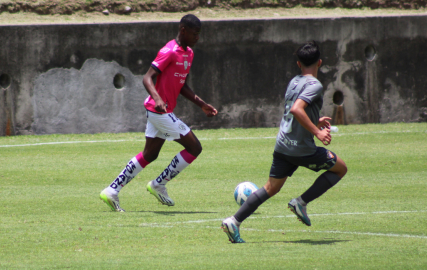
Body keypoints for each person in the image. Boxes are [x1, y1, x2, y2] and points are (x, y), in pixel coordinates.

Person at [221, 41, 347, 243]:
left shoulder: (294, 82)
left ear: (298, 64)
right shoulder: (315, 85)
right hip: (302, 150)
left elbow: (294, 112)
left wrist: (316, 120)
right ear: (320, 62)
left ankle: (233, 221)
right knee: (341, 169)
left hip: (283, 145)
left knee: (271, 187)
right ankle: (301, 202)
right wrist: (317, 132)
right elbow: (297, 110)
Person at [100, 14, 218, 212]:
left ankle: (112, 190)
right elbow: (147, 78)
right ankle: (158, 184)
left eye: (199, 34)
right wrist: (158, 98)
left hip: (160, 112)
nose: (197, 38)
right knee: (194, 147)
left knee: (150, 154)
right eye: (194, 34)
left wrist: (201, 104)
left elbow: (182, 85)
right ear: (183, 31)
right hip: (159, 112)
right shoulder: (169, 51)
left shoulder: (188, 53)